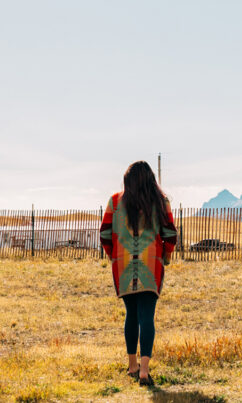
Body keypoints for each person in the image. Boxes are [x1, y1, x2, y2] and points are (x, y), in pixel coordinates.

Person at [100, 161, 177, 387]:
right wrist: (165, 256)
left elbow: (104, 234)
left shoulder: (114, 202)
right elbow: (170, 234)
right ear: (150, 179)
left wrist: (114, 255)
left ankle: (132, 365)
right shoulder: (160, 202)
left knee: (131, 315)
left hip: (123, 266)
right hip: (151, 266)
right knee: (147, 316)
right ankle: (144, 370)